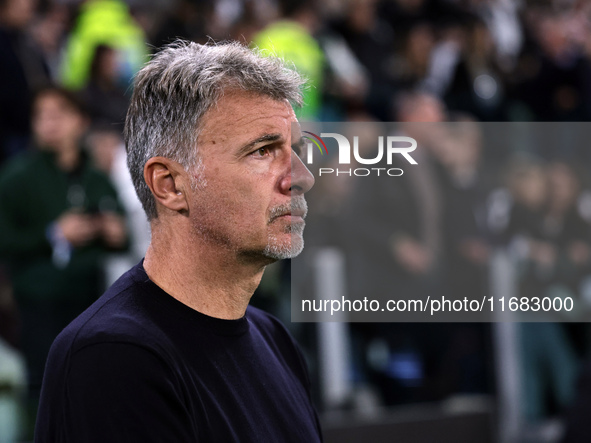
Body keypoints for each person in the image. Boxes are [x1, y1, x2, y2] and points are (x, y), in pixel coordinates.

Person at [36, 40, 321, 442]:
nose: (301, 176)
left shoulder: (275, 340)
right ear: (169, 185)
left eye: (296, 149)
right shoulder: (112, 358)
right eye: (262, 151)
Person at [0, 85, 128, 433]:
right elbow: (5, 239)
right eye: (40, 116)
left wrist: (114, 231)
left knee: (93, 392)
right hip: (40, 303)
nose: (48, 124)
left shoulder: (97, 178)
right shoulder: (17, 177)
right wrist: (53, 234)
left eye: (58, 114)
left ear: (81, 121)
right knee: (42, 392)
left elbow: (122, 237)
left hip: (93, 302)